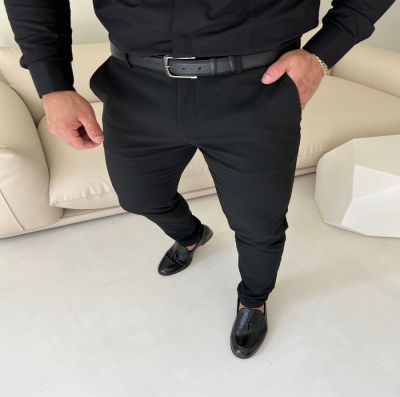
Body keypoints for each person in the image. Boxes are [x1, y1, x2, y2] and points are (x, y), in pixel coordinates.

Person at [4, 0, 395, 359]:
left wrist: (322, 54)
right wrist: (53, 86)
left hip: (257, 87)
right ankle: (192, 234)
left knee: (258, 223)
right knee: (139, 197)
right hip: (136, 87)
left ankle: (253, 299)